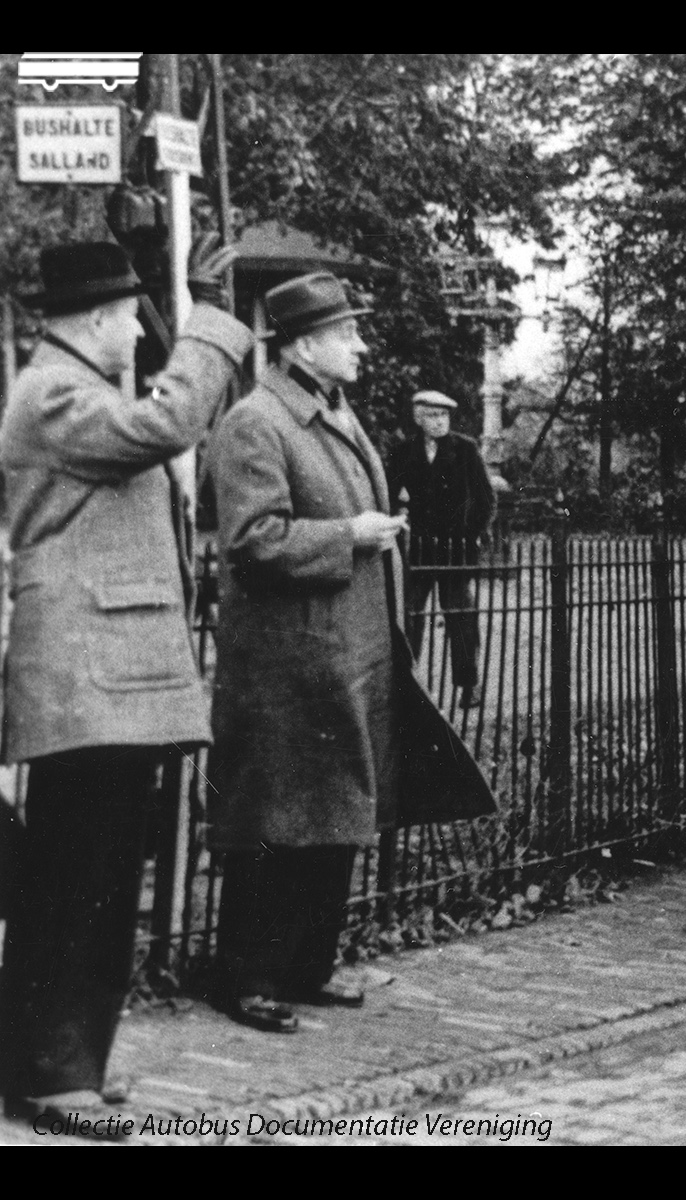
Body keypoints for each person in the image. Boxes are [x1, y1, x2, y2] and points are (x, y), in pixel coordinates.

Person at [1, 238, 251, 1135]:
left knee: (94, 876)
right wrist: (210, 322)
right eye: (132, 319)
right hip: (88, 674)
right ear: (98, 318)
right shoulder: (55, 394)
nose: (139, 335)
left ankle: (58, 1063)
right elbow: (169, 425)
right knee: (79, 880)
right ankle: (53, 1076)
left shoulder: (69, 389)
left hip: (101, 675)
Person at [206, 272, 493, 1036]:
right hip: (289, 665)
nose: (361, 345)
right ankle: (246, 977)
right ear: (304, 346)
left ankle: (308, 965)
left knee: (336, 812)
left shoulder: (333, 410)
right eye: (346, 333)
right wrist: (351, 535)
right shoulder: (256, 422)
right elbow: (252, 542)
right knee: (275, 818)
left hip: (344, 654)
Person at [389, 389, 495, 708]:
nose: (440, 422)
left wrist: (471, 534)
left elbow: (486, 499)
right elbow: (389, 493)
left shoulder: (465, 449)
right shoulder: (404, 451)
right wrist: (398, 521)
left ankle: (469, 684)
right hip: (420, 548)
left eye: (444, 416)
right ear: (418, 418)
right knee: (411, 614)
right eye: (433, 416)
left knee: (460, 616)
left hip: (456, 549)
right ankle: (409, 683)